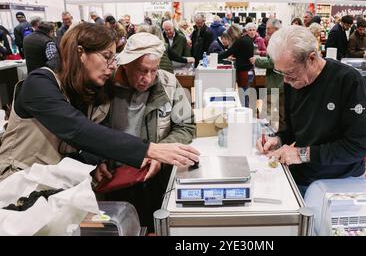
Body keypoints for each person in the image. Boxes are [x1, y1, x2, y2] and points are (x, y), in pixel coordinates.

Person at [0, 22, 200, 181]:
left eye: (114, 58)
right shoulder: (39, 85)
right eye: (107, 57)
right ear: (81, 53)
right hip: (18, 185)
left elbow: (91, 140)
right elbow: (80, 130)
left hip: (53, 185)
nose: (112, 66)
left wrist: (96, 161)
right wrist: (151, 149)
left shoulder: (88, 89)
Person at [257, 25, 366, 196]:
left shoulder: (348, 80)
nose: (286, 80)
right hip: (302, 176)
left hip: (341, 183)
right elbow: (292, 130)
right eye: (281, 73)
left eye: (290, 72)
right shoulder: (292, 83)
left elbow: (357, 147)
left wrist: (301, 154)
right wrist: (278, 140)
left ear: (311, 58)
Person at [106, 32, 196, 228]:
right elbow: (91, 130)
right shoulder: (106, 86)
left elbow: (186, 125)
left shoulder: (169, 83)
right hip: (115, 178)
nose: (147, 78)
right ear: (126, 65)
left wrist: (158, 151)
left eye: (153, 70)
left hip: (154, 178)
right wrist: (98, 160)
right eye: (141, 70)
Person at [250, 18, 285, 131]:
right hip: (279, 82)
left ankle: (269, 135)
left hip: (276, 82)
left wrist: (258, 61)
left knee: (270, 111)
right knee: (278, 112)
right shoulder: (280, 40)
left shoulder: (279, 42)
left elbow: (274, 62)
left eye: (268, 29)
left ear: (276, 29)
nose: (266, 31)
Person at [218, 24, 254, 89]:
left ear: (232, 35)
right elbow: (241, 53)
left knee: (243, 93)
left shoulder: (239, 41)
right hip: (249, 69)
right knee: (245, 92)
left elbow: (227, 53)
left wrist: (214, 56)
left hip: (244, 71)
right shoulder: (246, 38)